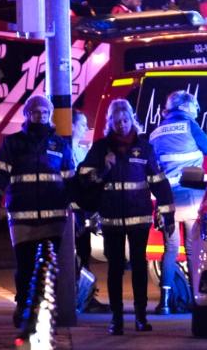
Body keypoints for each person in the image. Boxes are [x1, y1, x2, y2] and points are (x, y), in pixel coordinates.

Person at [78, 99, 175, 335]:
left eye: (125, 120)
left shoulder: (145, 148)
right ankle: (117, 320)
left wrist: (167, 215)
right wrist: (103, 168)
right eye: (117, 121)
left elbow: (159, 183)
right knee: (115, 269)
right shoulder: (101, 149)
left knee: (140, 266)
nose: (121, 125)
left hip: (139, 218)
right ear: (110, 123)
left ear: (132, 120)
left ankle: (141, 317)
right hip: (110, 219)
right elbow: (83, 178)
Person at [0, 94, 75, 329]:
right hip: (21, 216)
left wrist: (80, 209)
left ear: (50, 115)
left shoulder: (61, 145)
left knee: (47, 268)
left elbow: (70, 180)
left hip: (53, 218)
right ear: (27, 114)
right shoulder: (12, 143)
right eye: (36, 111)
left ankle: (43, 313)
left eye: (45, 112)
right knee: (25, 267)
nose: (40, 115)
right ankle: (22, 306)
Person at [149, 91, 207, 315]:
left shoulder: (156, 132)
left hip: (166, 200)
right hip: (189, 197)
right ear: (185, 107)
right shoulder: (190, 126)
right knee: (192, 249)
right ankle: (196, 300)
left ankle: (165, 302)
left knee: (169, 249)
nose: (197, 111)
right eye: (195, 106)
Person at [71, 109, 92, 270]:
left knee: (85, 252)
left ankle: (85, 292)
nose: (86, 128)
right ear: (71, 125)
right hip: (71, 211)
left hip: (83, 210)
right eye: (82, 124)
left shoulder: (83, 151)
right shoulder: (66, 151)